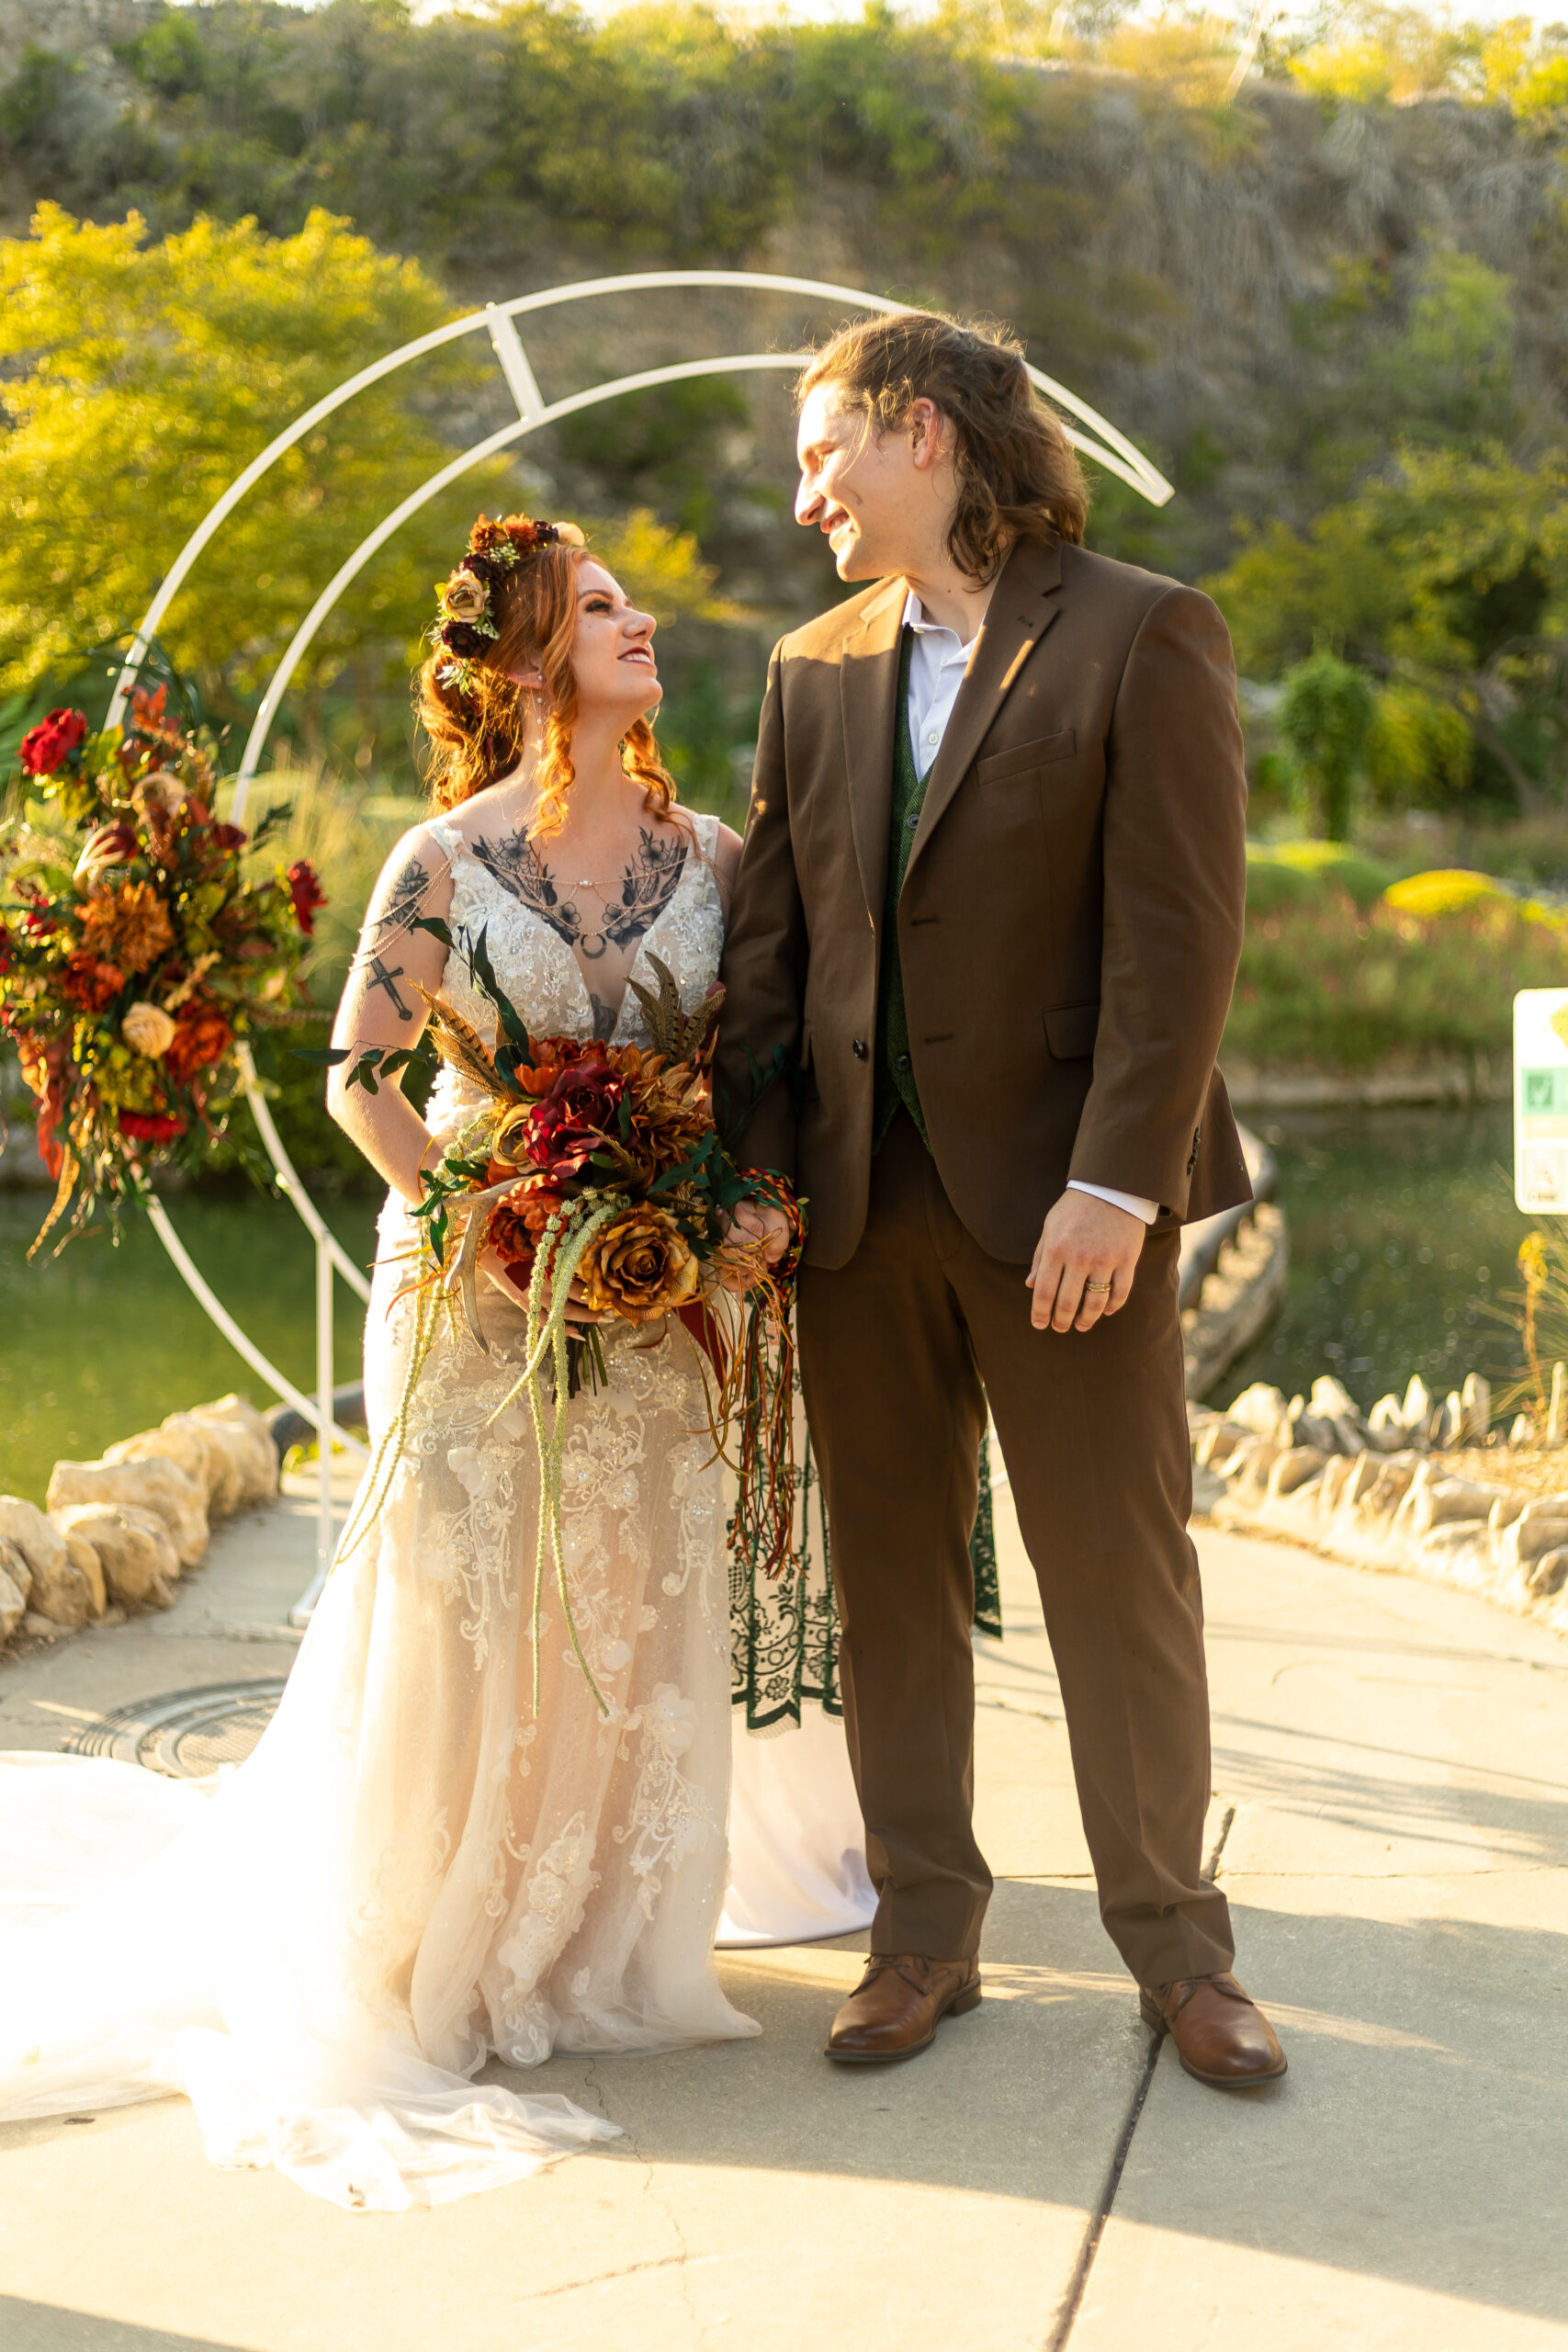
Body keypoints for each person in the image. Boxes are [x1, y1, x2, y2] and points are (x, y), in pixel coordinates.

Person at [0, 513, 868, 2211]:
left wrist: (737, 1211)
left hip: (663, 1299)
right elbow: (361, 1078)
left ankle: (599, 1936)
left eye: (628, 600)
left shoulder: (716, 854)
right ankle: (444, 1939)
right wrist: (500, 1223)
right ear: (531, 665)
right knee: (472, 1606)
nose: (638, 621)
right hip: (479, 1292)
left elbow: (763, 1067)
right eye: (598, 607)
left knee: (631, 1593)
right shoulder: (441, 862)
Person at [717, 311, 1288, 2086]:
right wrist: (754, 1181)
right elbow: (769, 950)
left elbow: (1179, 941)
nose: (805, 495)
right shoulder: (808, 667)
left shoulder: (1143, 629)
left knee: (1119, 1582)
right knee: (889, 1582)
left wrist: (1117, 1182)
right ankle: (920, 1937)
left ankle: (1181, 1957)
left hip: (1069, 1213)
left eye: (824, 452)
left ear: (924, 432)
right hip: (854, 1213)